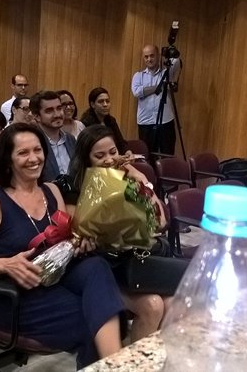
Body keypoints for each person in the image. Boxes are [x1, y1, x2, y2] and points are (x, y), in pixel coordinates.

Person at [0, 123, 124, 369]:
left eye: (37, 150)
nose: (34, 158)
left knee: (97, 267)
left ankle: (114, 364)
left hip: (55, 278)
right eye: (23, 153)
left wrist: (79, 241)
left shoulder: (51, 190)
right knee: (95, 320)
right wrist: (6, 265)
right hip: (18, 297)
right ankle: (115, 364)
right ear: (7, 159)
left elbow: (64, 241)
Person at [66, 124, 170, 342]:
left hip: (134, 261)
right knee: (153, 305)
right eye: (99, 156)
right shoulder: (73, 189)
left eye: (113, 152)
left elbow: (160, 222)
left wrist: (142, 182)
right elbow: (81, 234)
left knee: (174, 302)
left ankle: (151, 357)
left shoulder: (128, 179)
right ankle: (132, 360)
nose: (109, 160)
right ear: (86, 159)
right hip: (102, 267)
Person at [131, 45, 181, 155]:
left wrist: (171, 52)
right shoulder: (138, 76)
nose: (149, 59)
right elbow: (137, 92)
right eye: (146, 57)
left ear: (158, 56)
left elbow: (176, 63)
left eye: (152, 56)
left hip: (165, 122)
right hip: (146, 123)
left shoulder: (166, 73)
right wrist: (161, 86)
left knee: (167, 155)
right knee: (147, 156)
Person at [30, 91, 75, 182]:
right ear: (37, 116)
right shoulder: (32, 143)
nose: (57, 114)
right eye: (49, 111)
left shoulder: (70, 139)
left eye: (59, 108)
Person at [80, 87, 130, 155]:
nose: (105, 104)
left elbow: (120, 142)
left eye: (107, 101)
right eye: (101, 102)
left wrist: (127, 152)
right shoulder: (86, 123)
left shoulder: (111, 121)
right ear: (92, 104)